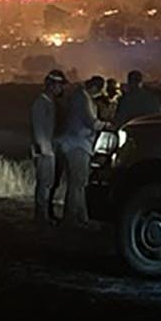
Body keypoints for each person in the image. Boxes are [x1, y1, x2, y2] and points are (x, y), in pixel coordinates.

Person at [56, 74, 106, 227]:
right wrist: (105, 125)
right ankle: (71, 219)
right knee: (76, 183)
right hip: (77, 145)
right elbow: (91, 122)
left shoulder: (79, 96)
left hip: (76, 144)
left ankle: (81, 217)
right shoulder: (83, 99)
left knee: (79, 183)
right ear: (95, 88)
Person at [30, 70, 66, 225]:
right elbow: (38, 128)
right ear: (52, 85)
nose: (61, 89)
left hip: (48, 148)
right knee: (44, 183)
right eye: (59, 85)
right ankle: (41, 217)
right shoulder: (41, 103)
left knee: (48, 183)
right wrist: (45, 149)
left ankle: (45, 214)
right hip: (45, 150)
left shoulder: (48, 102)